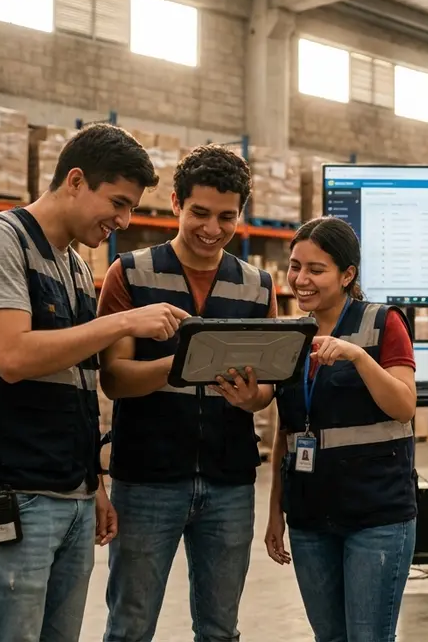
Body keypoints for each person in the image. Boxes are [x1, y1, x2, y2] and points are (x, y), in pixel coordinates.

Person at [0, 123, 186, 642]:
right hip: (7, 492)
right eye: (117, 203)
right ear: (75, 180)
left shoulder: (76, 267)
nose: (122, 221)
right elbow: (12, 355)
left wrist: (91, 485)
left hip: (67, 492)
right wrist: (123, 322)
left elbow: (77, 383)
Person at [98, 144, 276, 642]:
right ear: (175, 203)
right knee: (130, 625)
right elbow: (113, 378)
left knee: (220, 629)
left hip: (230, 482)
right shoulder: (130, 273)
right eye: (199, 212)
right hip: (147, 480)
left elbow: (266, 389)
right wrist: (180, 367)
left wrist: (251, 397)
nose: (212, 229)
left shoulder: (258, 286)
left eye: (226, 216)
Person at [263, 216, 418, 642]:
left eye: (316, 269)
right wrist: (276, 510)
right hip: (310, 517)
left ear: (348, 274)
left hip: (377, 516)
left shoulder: (383, 323)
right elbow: (287, 431)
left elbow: (404, 406)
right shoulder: (290, 334)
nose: (301, 279)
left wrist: (359, 358)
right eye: (295, 266)